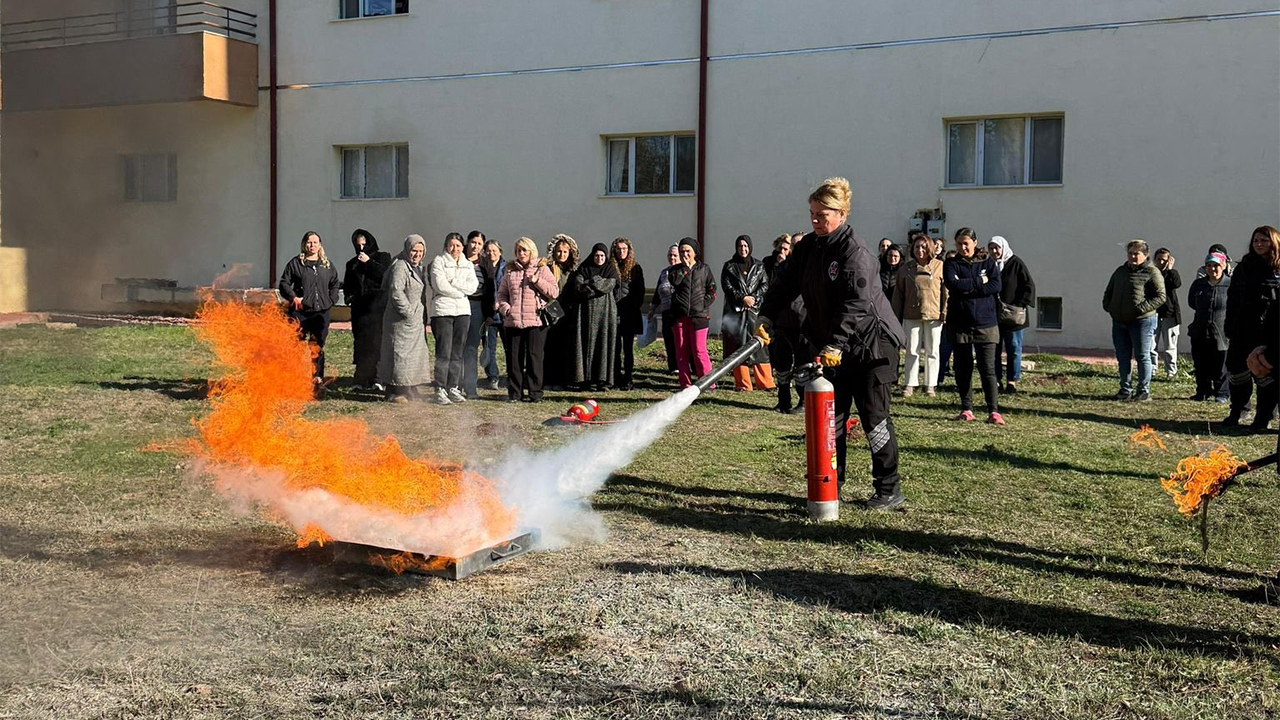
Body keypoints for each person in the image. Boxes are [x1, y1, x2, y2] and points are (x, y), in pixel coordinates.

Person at [758, 177, 906, 510]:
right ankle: (831, 485)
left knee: (874, 420)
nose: (814, 220)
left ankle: (888, 489)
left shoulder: (854, 251)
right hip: (834, 350)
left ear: (840, 213)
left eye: (821, 215)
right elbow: (783, 284)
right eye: (811, 213)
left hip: (871, 347)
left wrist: (836, 343)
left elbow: (857, 302)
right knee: (832, 419)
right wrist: (766, 316)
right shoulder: (809, 247)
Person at [943, 228, 1003, 424]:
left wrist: (968, 286)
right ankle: (967, 408)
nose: (963, 247)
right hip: (959, 323)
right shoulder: (951, 263)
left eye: (966, 243)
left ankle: (993, 410)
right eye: (959, 243)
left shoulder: (988, 262)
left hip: (986, 322)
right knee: (963, 367)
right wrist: (979, 282)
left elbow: (995, 286)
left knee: (988, 368)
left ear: (975, 242)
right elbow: (953, 285)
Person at [1224, 226, 1280, 428]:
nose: (1259, 244)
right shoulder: (1244, 267)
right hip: (1242, 328)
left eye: (1264, 241)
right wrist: (1229, 325)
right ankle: (1239, 410)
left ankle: (1264, 416)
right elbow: (1232, 299)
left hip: (1269, 332)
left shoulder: (1278, 268)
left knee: (1264, 373)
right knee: (1236, 371)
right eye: (1256, 240)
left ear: (1273, 242)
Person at [1102, 239, 1166, 402]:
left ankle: (1143, 391)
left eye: (1136, 253)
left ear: (1145, 255)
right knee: (1123, 357)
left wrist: (1141, 309)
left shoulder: (1152, 272)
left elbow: (1160, 297)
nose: (1132, 256)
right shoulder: (1120, 271)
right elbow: (1109, 290)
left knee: (1142, 356)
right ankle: (1125, 389)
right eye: (1130, 253)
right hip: (1119, 321)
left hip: (1142, 322)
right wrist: (1109, 306)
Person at [496, 237, 559, 402]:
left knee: (534, 358)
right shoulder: (510, 271)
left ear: (531, 251)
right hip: (513, 321)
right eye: (518, 250)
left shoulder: (542, 268)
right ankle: (515, 393)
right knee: (514, 360)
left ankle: (535, 393)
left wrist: (537, 281)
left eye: (524, 250)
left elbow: (554, 292)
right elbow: (501, 294)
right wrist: (505, 308)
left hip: (536, 322)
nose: (521, 253)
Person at [278, 231, 340, 388]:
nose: (312, 245)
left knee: (316, 344)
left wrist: (331, 300)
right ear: (304, 244)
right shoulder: (296, 263)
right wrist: (293, 297)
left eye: (315, 242)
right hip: (301, 312)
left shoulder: (326, 264)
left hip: (321, 312)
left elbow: (334, 283)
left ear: (320, 245)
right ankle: (294, 376)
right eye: (309, 242)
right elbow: (284, 283)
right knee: (296, 345)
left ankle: (317, 377)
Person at [378, 235, 432, 402]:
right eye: (414, 250)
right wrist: (408, 312)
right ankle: (397, 390)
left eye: (421, 251)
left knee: (413, 357)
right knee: (400, 357)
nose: (417, 254)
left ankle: (410, 388)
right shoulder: (400, 266)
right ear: (407, 249)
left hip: (413, 322)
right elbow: (395, 292)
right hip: (401, 321)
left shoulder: (415, 266)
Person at [428, 232, 479, 404]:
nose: (454, 249)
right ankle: (440, 388)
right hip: (443, 311)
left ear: (462, 247)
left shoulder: (467, 264)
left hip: (463, 312)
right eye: (451, 245)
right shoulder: (439, 261)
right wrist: (460, 291)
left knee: (457, 352)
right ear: (446, 246)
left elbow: (473, 287)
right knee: (444, 351)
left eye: (458, 245)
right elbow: (439, 285)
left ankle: (453, 387)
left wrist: (454, 283)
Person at [892, 234, 946, 396]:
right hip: (911, 314)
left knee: (932, 351)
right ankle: (910, 383)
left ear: (929, 247)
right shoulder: (906, 268)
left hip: (934, 315)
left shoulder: (940, 266)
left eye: (923, 247)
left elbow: (946, 292)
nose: (920, 250)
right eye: (916, 247)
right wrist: (895, 316)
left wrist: (944, 312)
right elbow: (898, 294)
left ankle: (930, 384)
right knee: (911, 350)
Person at [720, 234, 775, 392]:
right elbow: (727, 286)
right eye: (740, 246)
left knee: (760, 347)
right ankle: (744, 384)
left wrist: (753, 299)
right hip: (736, 312)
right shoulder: (729, 266)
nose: (743, 249)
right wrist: (742, 298)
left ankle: (765, 382)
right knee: (738, 347)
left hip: (755, 312)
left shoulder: (759, 266)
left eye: (745, 246)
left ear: (750, 247)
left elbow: (764, 285)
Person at [342, 228, 391, 389]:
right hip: (360, 310)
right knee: (362, 344)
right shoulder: (352, 263)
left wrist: (368, 262)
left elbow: (385, 276)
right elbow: (348, 284)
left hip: (377, 307)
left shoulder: (382, 257)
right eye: (358, 245)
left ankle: (378, 378)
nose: (361, 248)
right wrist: (349, 297)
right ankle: (361, 379)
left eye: (364, 244)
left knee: (377, 342)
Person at [569, 243, 621, 390]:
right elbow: (579, 286)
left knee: (603, 345)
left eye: (602, 256)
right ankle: (583, 379)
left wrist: (591, 281)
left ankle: (602, 380)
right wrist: (594, 284)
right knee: (583, 345)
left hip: (605, 315)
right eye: (597, 255)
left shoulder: (610, 271)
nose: (599, 258)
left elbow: (608, 285)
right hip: (584, 314)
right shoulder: (583, 269)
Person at [987, 235, 1035, 394]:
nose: (994, 251)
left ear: (1003, 248)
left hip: (1013, 317)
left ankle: (1012, 380)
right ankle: (996, 380)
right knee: (994, 348)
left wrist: (1019, 305)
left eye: (997, 248)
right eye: (991, 248)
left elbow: (1028, 286)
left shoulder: (1016, 263)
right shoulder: (989, 265)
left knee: (1014, 347)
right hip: (994, 316)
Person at [668, 238, 717, 389]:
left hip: (699, 317)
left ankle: (708, 384)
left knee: (699, 350)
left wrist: (703, 304)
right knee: (682, 352)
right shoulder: (674, 270)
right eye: (682, 251)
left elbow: (712, 290)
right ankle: (685, 384)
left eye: (688, 251)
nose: (684, 254)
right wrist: (685, 269)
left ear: (695, 252)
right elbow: (675, 282)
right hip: (679, 317)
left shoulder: (704, 269)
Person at [1187, 252, 1231, 402]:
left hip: (1221, 331)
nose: (1212, 269)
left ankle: (1222, 393)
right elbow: (1192, 303)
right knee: (1200, 363)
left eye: (1216, 265)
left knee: (1220, 364)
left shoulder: (1230, 284)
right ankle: (1202, 391)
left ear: (1223, 266)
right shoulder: (1198, 285)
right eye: (1209, 265)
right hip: (1200, 329)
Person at [543, 234, 580, 390]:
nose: (562, 255)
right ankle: (549, 379)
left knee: (565, 349)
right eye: (559, 251)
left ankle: (563, 379)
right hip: (551, 312)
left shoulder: (574, 271)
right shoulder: (549, 268)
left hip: (568, 314)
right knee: (550, 348)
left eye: (565, 252)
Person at [612, 237, 646, 390]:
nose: (621, 252)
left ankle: (628, 378)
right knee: (615, 349)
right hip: (614, 314)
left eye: (624, 249)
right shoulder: (610, 267)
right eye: (618, 249)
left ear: (629, 250)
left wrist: (633, 307)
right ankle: (616, 377)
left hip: (629, 314)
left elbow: (640, 291)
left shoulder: (635, 268)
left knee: (628, 349)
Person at [462, 230, 488, 399]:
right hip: (461, 303)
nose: (475, 246)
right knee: (457, 346)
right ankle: (454, 384)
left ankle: (470, 387)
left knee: (471, 347)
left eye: (479, 243)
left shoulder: (485, 263)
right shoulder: (459, 260)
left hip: (478, 306)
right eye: (473, 242)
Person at [1150, 248, 1182, 380]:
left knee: (1170, 347)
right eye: (1159, 259)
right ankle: (1151, 370)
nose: (1161, 262)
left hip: (1170, 315)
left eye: (1164, 260)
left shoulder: (1172, 274)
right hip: (1153, 314)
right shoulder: (1150, 274)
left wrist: (1169, 269)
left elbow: (1176, 284)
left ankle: (1171, 372)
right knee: (1151, 345)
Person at [650, 244, 682, 374]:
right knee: (669, 340)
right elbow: (658, 292)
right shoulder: (664, 273)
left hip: (680, 311)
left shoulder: (684, 271)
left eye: (675, 255)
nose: (672, 258)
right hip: (666, 312)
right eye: (670, 255)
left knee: (680, 341)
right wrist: (652, 309)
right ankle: (673, 367)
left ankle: (684, 366)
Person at [479, 239, 506, 391]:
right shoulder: (483, 267)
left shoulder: (507, 268)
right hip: (488, 315)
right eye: (488, 251)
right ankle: (493, 377)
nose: (491, 253)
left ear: (500, 252)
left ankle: (511, 376)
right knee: (489, 348)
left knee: (510, 348)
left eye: (494, 250)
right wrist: (488, 313)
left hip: (505, 315)